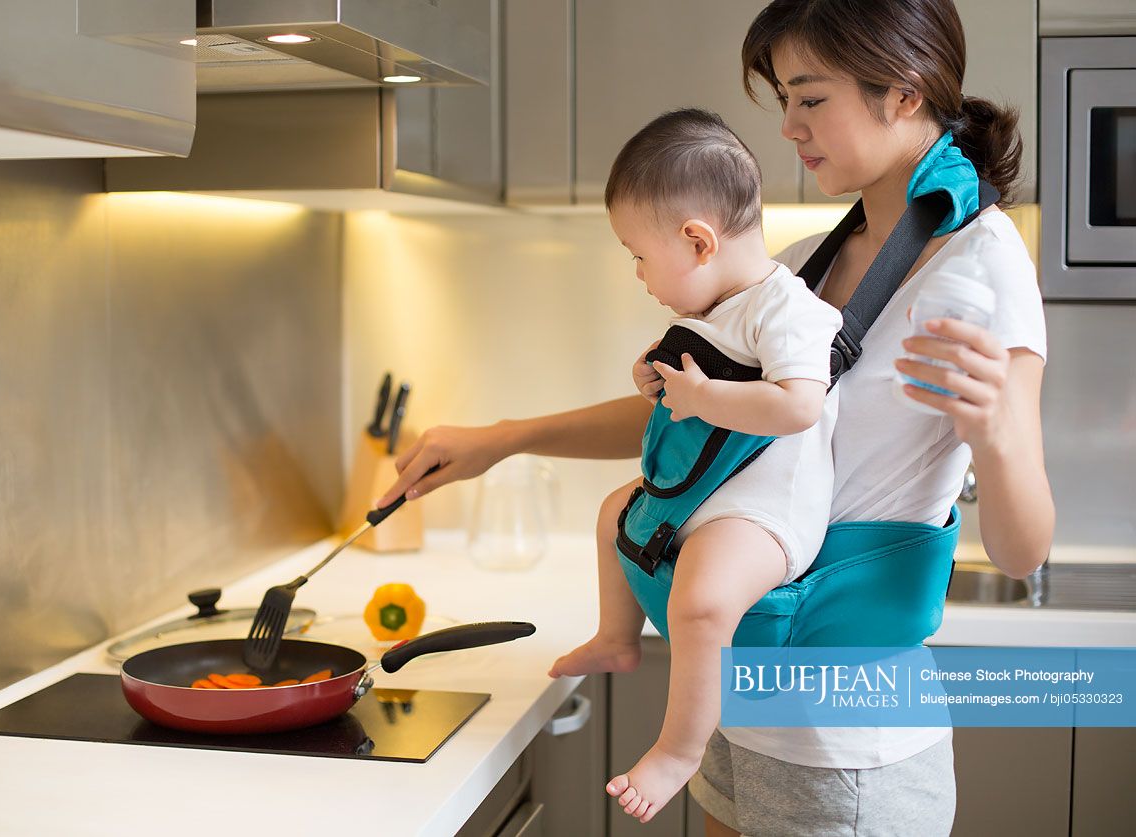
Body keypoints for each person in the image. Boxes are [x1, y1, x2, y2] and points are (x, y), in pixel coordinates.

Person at [377, 0, 1053, 833]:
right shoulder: (814, 262)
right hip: (737, 703)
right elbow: (710, 426)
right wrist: (501, 441)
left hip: (845, 746)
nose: (788, 128)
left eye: (810, 98)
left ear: (904, 91)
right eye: (782, 101)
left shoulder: (983, 266)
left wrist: (998, 435)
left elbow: (1024, 551)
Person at [542, 107, 843, 823]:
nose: (639, 274)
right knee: (615, 509)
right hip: (709, 500)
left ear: (697, 240)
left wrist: (705, 394)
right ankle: (618, 639)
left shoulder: (787, 309)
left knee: (702, 599)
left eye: (639, 255)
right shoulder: (714, 312)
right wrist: (655, 381)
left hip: (766, 514)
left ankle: (678, 748)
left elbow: (798, 405)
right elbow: (688, 401)